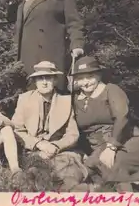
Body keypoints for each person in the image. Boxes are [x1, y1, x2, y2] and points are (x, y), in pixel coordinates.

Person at [71, 56, 139, 192]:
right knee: (86, 170)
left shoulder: (111, 90)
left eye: (90, 76)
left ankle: (129, 201)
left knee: (112, 164)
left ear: (99, 76)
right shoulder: (76, 99)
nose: (86, 82)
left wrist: (111, 147)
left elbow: (122, 117)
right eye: (81, 78)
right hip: (99, 148)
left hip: (127, 141)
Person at [10, 0, 86, 93]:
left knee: (50, 91)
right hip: (25, 54)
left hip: (49, 53)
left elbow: (74, 22)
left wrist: (77, 44)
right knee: (27, 93)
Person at [11, 61, 89, 191]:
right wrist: (38, 144)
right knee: (36, 171)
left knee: (68, 168)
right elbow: (17, 130)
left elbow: (73, 134)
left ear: (55, 80)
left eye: (48, 78)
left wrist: (56, 146)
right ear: (35, 81)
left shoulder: (65, 101)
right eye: (40, 78)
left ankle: (72, 192)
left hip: (60, 151)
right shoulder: (25, 99)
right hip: (34, 150)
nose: (44, 82)